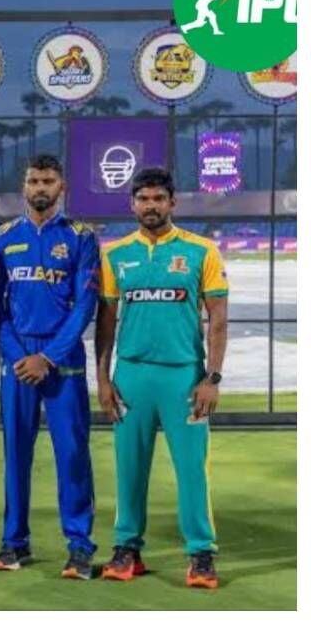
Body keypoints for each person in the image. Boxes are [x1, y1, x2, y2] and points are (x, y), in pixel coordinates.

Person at [96, 167, 228, 589]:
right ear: (132, 204)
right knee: (129, 469)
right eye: (143, 199)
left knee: (191, 470)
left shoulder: (202, 251)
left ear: (172, 202)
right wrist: (103, 379)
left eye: (158, 198)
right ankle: (126, 549)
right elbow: (106, 323)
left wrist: (212, 378)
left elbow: (218, 320)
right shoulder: (115, 254)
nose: (150, 205)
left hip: (184, 378)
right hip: (131, 376)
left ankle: (201, 554)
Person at [0, 155, 100, 579]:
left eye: (48, 181)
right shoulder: (3, 238)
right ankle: (14, 542)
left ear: (61, 187)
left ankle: (80, 546)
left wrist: (48, 357)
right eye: (33, 180)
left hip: (61, 360)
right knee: (16, 454)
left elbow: (84, 306)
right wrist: (19, 355)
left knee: (72, 454)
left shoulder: (80, 237)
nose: (40, 187)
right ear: (24, 187)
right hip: (18, 362)